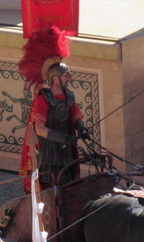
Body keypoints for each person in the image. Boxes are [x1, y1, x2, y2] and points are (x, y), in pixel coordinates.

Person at [18, 26, 90, 191]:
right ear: (56, 79)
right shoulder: (43, 99)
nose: (69, 78)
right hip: (49, 152)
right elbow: (40, 128)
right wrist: (63, 138)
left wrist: (82, 128)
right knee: (52, 184)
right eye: (66, 75)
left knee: (69, 181)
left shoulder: (68, 96)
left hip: (66, 151)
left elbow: (75, 117)